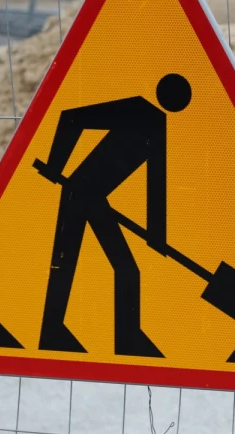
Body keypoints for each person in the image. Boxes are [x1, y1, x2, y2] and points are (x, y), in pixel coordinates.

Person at [34, 73, 192, 357]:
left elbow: (156, 183)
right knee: (67, 263)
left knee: (110, 267)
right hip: (78, 193)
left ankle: (122, 339)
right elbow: (71, 118)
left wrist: (157, 237)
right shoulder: (137, 109)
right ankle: (61, 333)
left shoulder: (158, 125)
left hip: (93, 198)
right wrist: (56, 164)